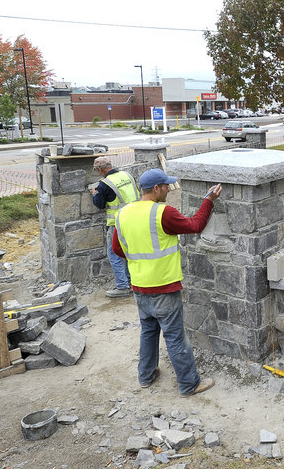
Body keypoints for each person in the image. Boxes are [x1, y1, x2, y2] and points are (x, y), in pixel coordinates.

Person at [112, 169, 221, 396]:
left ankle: (146, 376)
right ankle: (189, 384)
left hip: (140, 287)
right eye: (166, 187)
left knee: (148, 331)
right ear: (156, 189)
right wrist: (209, 200)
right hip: (164, 286)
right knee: (175, 337)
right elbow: (194, 226)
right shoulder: (162, 213)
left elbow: (117, 249)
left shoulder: (123, 214)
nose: (169, 191)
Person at [90, 156, 141, 298]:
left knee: (114, 254)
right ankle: (131, 281)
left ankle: (122, 286)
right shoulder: (128, 175)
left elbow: (100, 204)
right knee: (129, 252)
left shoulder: (104, 184)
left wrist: (94, 194)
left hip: (117, 224)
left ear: (100, 170)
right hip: (136, 219)